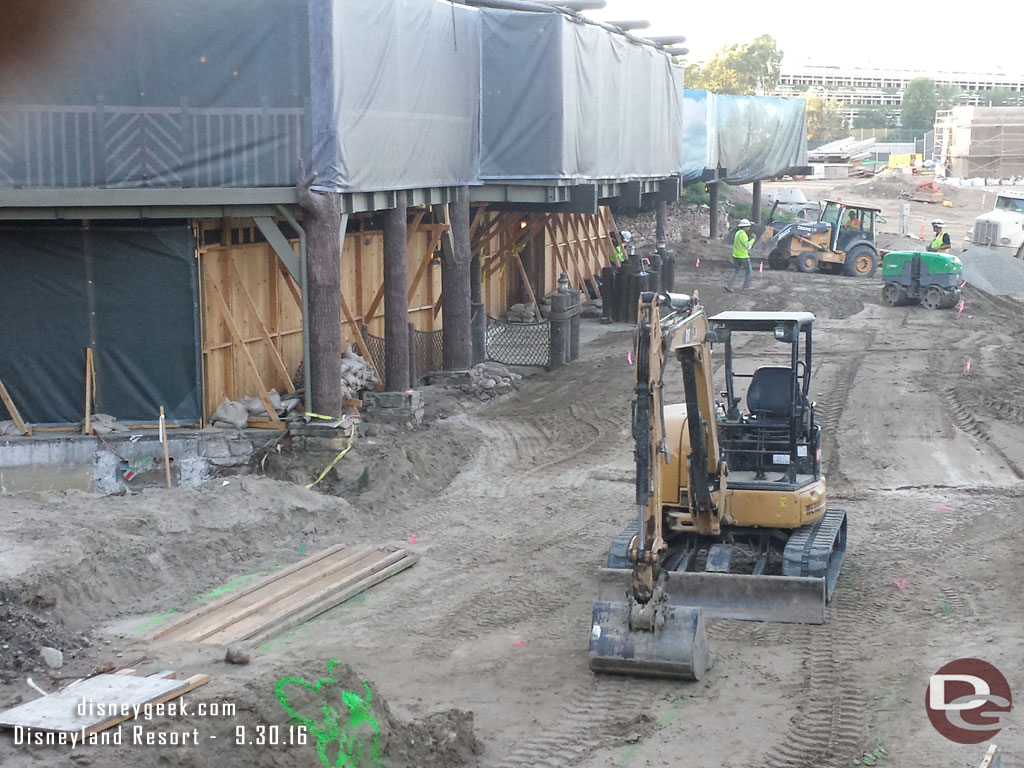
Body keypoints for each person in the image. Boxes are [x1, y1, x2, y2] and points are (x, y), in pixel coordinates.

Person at [725, 219, 755, 292]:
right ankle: (746, 287)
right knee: (748, 270)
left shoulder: (737, 233)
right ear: (744, 227)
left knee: (737, 270)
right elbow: (747, 245)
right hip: (743, 256)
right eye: (748, 226)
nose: (749, 228)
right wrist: (753, 239)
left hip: (735, 255)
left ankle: (729, 285)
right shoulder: (743, 234)